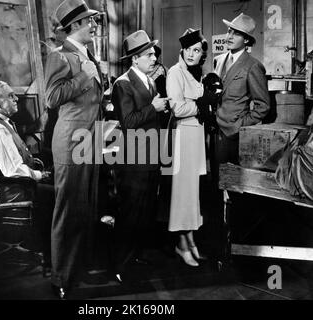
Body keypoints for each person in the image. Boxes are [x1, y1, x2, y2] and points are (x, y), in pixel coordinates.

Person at [44, 0, 104, 299]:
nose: (93, 25)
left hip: (90, 143)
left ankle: (77, 268)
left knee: (85, 209)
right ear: (75, 26)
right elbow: (52, 98)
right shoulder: (61, 56)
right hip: (70, 143)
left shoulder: (87, 54)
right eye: (89, 21)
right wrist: (86, 76)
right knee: (67, 211)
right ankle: (61, 278)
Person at [0, 80, 54, 277]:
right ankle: (52, 258)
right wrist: (38, 174)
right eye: (10, 96)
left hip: (8, 189)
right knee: (59, 194)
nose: (16, 98)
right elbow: (11, 170)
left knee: (51, 184)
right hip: (11, 195)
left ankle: (41, 246)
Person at [111, 30, 168, 283]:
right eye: (149, 54)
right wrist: (153, 108)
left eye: (154, 53)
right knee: (130, 213)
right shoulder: (123, 84)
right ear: (134, 59)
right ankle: (121, 265)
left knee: (145, 212)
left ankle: (135, 257)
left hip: (150, 157)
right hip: (134, 160)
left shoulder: (148, 80)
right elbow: (128, 122)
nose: (154, 57)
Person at [166, 29, 217, 266]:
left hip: (195, 138)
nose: (191, 54)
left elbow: (198, 100)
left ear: (202, 55)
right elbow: (177, 109)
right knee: (183, 194)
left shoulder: (195, 74)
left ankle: (190, 241)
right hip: (183, 137)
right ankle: (181, 245)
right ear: (183, 51)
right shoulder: (175, 73)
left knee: (192, 193)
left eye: (197, 50)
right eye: (189, 49)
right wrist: (201, 107)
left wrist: (202, 103)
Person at [214, 13, 270, 165]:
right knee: (216, 180)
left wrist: (240, 125)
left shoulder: (253, 66)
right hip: (214, 130)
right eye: (229, 31)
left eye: (236, 33)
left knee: (232, 182)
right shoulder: (218, 60)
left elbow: (263, 106)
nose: (230, 36)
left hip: (234, 134)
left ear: (246, 40)